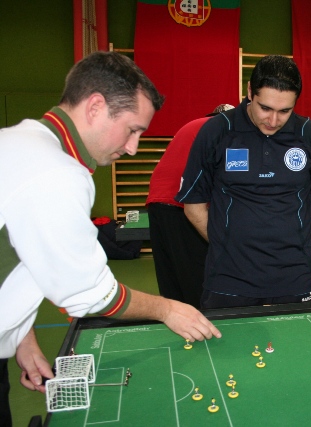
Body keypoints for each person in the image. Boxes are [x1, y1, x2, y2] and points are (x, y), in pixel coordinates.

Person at [0, 51, 221, 426]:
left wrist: (22, 338)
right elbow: (90, 294)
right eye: (132, 130)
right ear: (95, 107)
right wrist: (168, 309)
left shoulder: (20, 142)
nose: (133, 147)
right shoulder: (57, 173)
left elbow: (18, 256)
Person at [176, 55, 311, 309]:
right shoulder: (217, 132)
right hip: (229, 278)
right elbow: (193, 205)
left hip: (295, 277)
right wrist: (229, 244)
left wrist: (293, 234)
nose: (273, 121)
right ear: (250, 91)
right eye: (265, 108)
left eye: (284, 111)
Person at [146, 104, 234, 308]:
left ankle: (179, 324)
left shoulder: (191, 126)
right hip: (182, 205)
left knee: (172, 284)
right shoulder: (222, 130)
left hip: (157, 204)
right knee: (199, 283)